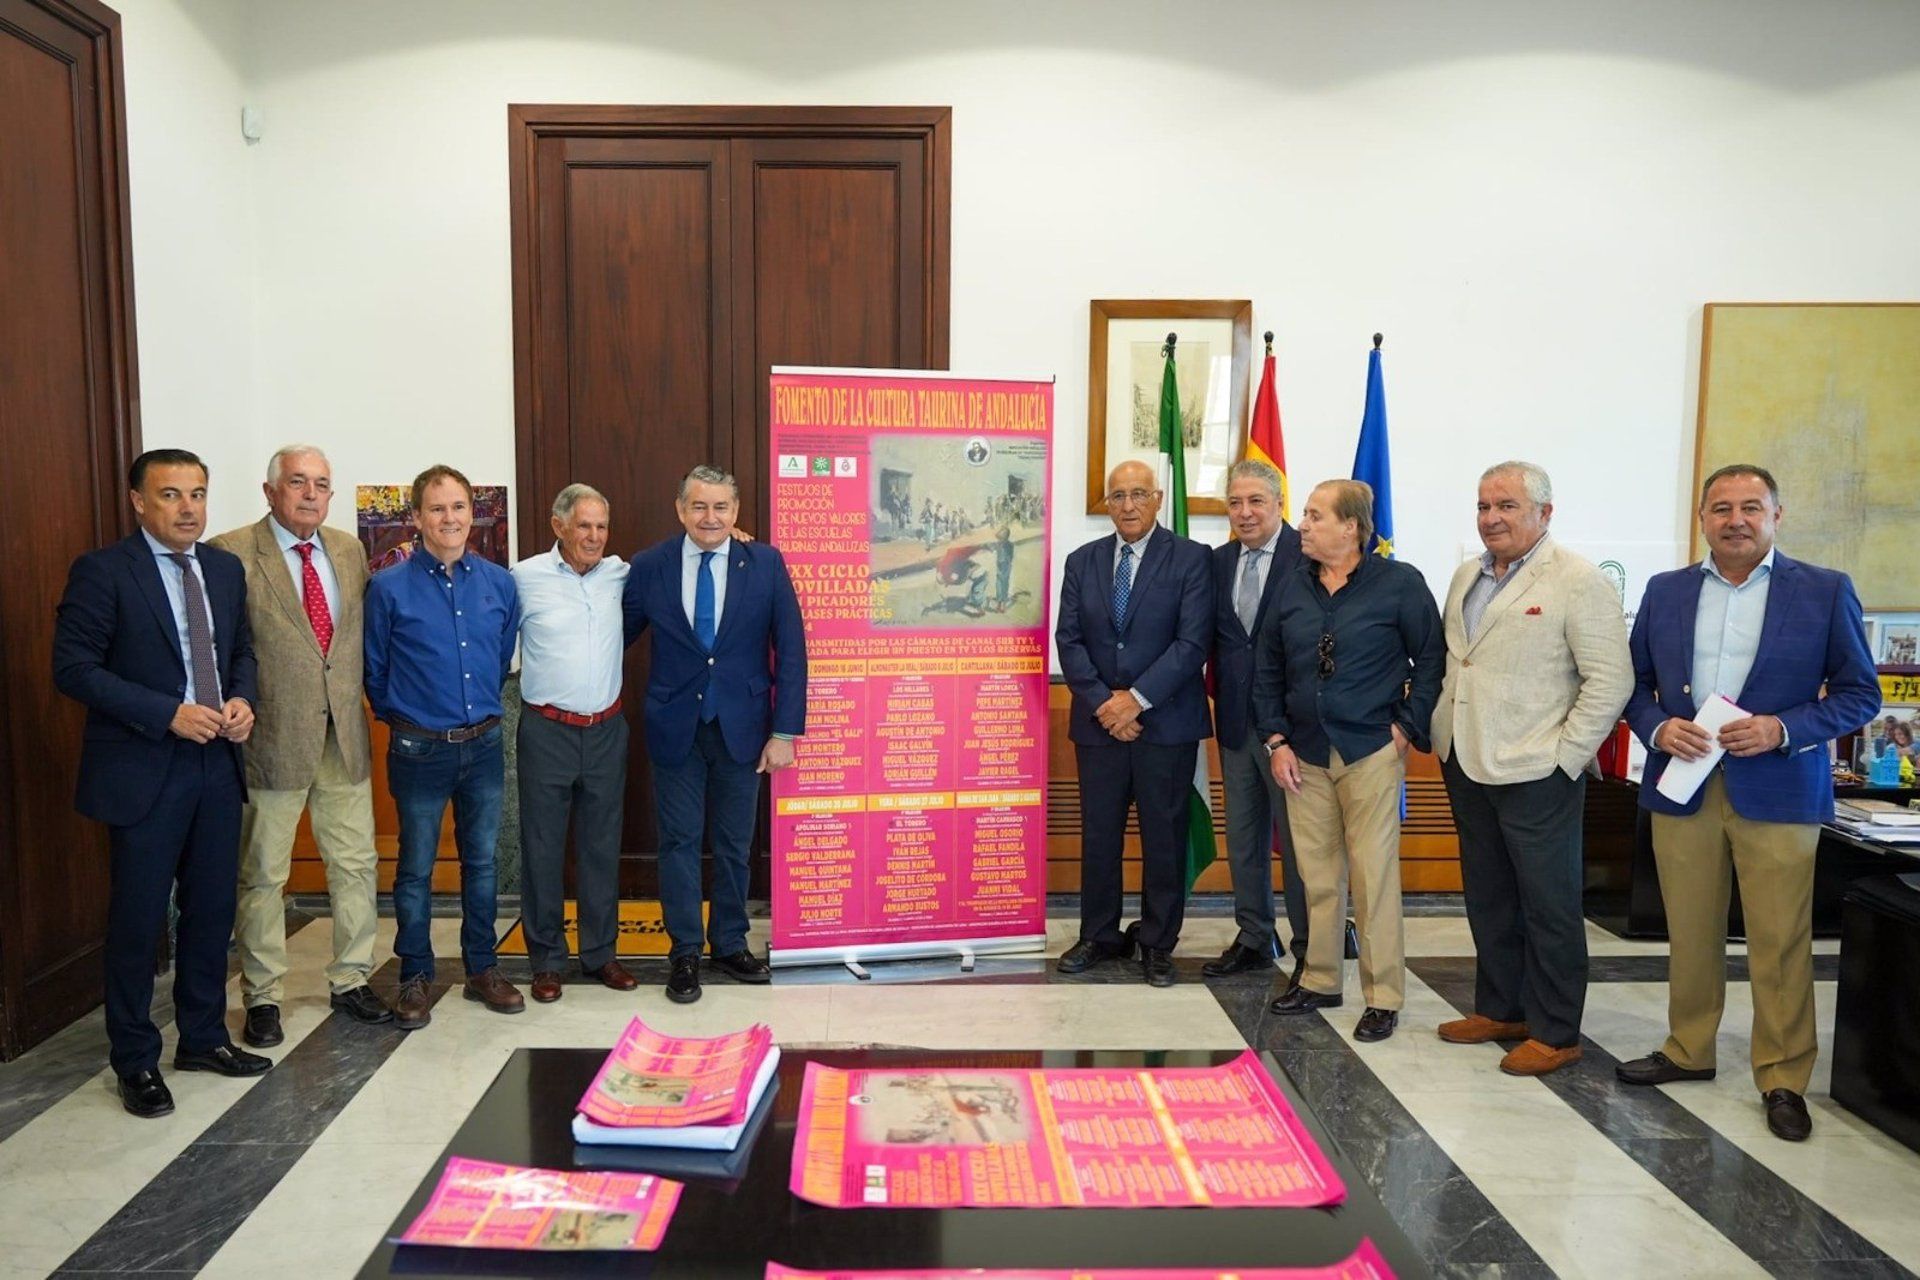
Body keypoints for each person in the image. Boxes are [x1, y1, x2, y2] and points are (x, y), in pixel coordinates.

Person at [1616, 464, 1878, 1141]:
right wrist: (1657, 727)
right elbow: (1631, 685)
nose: (1736, 520)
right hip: (1685, 785)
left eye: (1751, 507)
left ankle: (1782, 1075)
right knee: (1690, 928)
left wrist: (1782, 728)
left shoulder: (1824, 591)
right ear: (1702, 518)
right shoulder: (1666, 590)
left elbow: (1860, 694)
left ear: (1776, 516)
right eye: (1722, 507)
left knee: (1780, 939)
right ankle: (1688, 1048)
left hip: (1781, 788)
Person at [53, 449, 269, 1118]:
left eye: (197, 494)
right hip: (144, 767)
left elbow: (240, 651)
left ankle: (202, 1038)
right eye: (171, 495)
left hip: (216, 763)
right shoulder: (103, 571)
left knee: (211, 910)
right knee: (140, 919)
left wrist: (242, 699)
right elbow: (73, 668)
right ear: (139, 502)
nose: (187, 508)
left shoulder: (224, 569)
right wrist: (165, 712)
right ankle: (136, 1059)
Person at [1430, 461, 1632, 1075]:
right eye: (1483, 506)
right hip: (1466, 759)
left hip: (1539, 769)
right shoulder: (1467, 575)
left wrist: (1565, 757)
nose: (1491, 518)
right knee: (1489, 895)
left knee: (1549, 904)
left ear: (1545, 513)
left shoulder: (1578, 579)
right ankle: (1502, 1008)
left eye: (1507, 506)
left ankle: (1556, 1031)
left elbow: (1611, 680)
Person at [210, 446, 391, 1049]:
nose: (311, 494)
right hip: (270, 740)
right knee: (263, 874)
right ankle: (263, 996)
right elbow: (221, 646)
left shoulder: (348, 549)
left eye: (321, 484)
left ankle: (352, 978)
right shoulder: (232, 553)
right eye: (297, 482)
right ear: (270, 491)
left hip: (344, 738)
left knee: (356, 865)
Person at [1252, 479, 1442, 1042]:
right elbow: (1266, 670)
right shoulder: (1292, 586)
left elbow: (1432, 660)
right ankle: (1319, 979)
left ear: (1351, 527)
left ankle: (1383, 997)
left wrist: (1405, 729)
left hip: (1370, 752)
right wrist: (1276, 741)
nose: (1303, 525)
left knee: (1374, 876)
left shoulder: (1400, 584)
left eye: (1315, 516)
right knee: (1317, 875)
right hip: (1303, 754)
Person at [622, 464, 807, 1004]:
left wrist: (785, 731)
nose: (710, 517)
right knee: (678, 842)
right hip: (674, 727)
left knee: (732, 844)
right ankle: (684, 951)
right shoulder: (650, 566)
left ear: (736, 511)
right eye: (699, 506)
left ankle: (728, 943)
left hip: (743, 728)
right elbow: (612, 635)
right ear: (680, 509)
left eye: (721, 507)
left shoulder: (765, 563)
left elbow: (792, 650)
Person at [365, 464, 523, 1028]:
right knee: (415, 867)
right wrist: (412, 719)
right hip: (419, 751)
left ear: (471, 514)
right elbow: (375, 672)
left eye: (458, 507)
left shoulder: (500, 584)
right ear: (416, 517)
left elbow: (500, 659)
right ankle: (415, 974)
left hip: (483, 746)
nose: (449, 518)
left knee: (482, 862)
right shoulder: (387, 588)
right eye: (437, 508)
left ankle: (483, 967)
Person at [1055, 460, 1214, 988]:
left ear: (1158, 498)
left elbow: (1192, 643)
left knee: (1164, 838)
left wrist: (1137, 701)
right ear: (1107, 503)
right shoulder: (1082, 561)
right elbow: (1069, 640)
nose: (1128, 505)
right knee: (1099, 836)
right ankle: (1098, 935)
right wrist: (1107, 704)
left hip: (1165, 726)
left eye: (1139, 494)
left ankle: (1157, 943)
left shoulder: (1191, 558)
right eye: (1118, 495)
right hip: (1099, 727)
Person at [512, 484, 636, 1003]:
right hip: (547, 731)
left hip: (607, 730)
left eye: (601, 526)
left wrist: (731, 534)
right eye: (584, 525)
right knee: (542, 848)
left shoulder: (620, 575)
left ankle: (600, 954)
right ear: (558, 525)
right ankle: (546, 960)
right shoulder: (523, 578)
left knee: (601, 847)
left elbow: (680, 560)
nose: (594, 536)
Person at [1200, 459, 1308, 982]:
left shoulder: (1307, 556)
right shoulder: (1217, 562)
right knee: (1244, 840)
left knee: (1302, 844)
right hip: (1236, 725)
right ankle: (1254, 936)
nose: (1244, 513)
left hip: (1292, 731)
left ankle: (1312, 947)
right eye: (1235, 503)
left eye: (1256, 502)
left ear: (1279, 504)